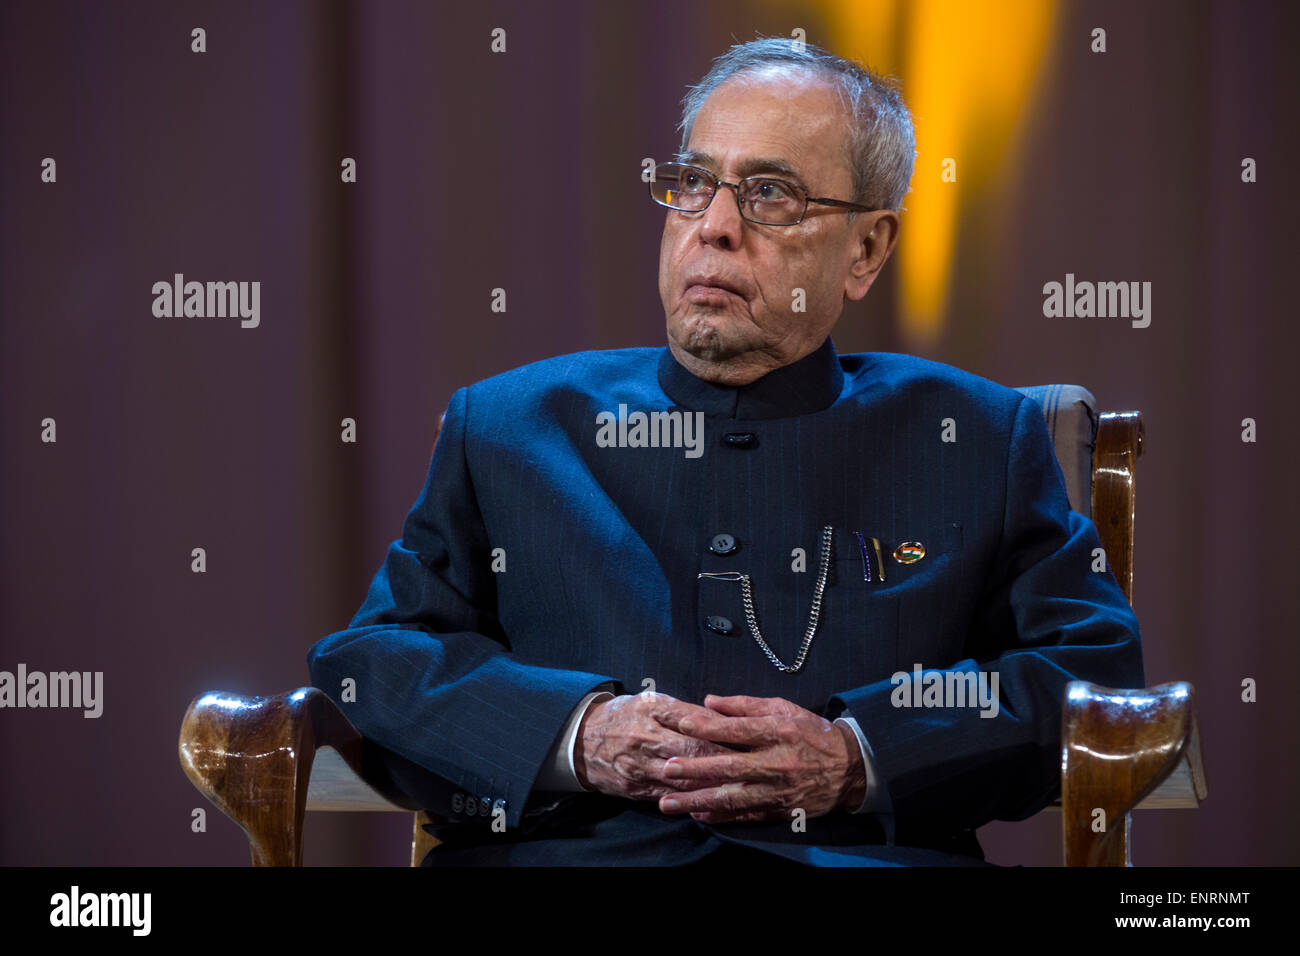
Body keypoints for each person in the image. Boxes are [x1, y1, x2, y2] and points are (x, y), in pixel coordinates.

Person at [306, 38, 1143, 866]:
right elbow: (372, 663)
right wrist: (574, 733)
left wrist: (860, 755)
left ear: (866, 251)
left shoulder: (975, 437)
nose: (713, 228)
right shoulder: (510, 425)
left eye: (770, 193)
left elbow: (1094, 678)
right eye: (693, 184)